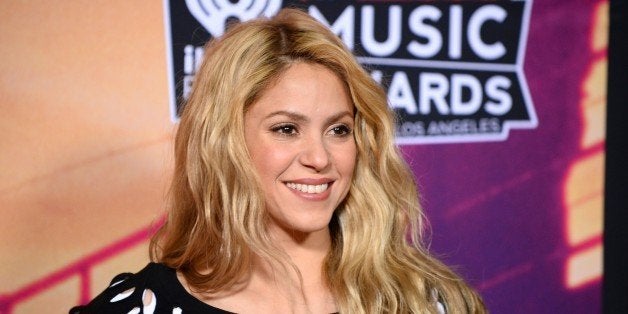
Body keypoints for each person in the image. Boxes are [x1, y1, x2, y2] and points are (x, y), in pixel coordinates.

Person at [71, 8, 485, 314]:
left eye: (338, 129)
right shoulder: (142, 307)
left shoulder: (426, 300)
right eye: (287, 129)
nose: (320, 157)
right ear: (225, 142)